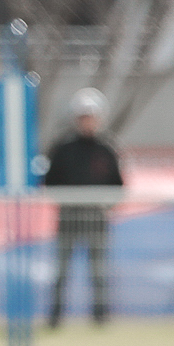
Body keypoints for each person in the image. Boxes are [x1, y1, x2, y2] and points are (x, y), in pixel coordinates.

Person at [44, 86, 124, 326]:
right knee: (62, 270)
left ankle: (100, 317)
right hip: (69, 217)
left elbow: (117, 185)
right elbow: (50, 182)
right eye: (83, 117)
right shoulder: (63, 149)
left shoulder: (107, 149)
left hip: (96, 218)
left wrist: (104, 206)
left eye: (91, 116)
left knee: (98, 271)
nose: (87, 122)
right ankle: (56, 316)